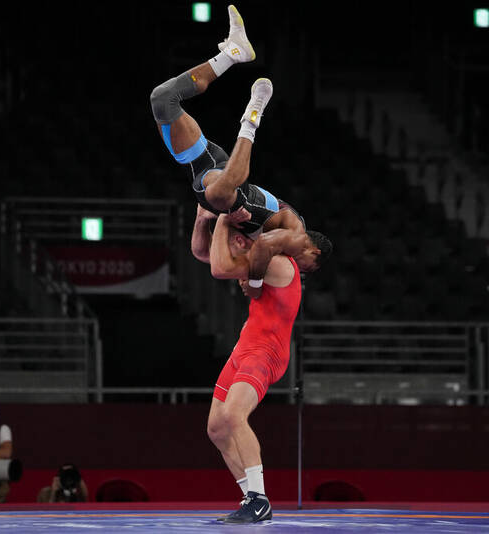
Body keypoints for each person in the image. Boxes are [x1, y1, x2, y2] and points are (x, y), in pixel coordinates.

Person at [150, 5, 310, 242]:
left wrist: (210, 220)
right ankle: (251, 118)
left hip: (203, 173)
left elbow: (202, 254)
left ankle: (232, 53)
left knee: (162, 99)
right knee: (221, 193)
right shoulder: (289, 243)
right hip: (234, 196)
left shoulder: (260, 255)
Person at [192, 211, 305, 523]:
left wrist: (222, 219)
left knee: (233, 415)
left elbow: (218, 267)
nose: (225, 251)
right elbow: (203, 254)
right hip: (245, 348)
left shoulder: (278, 264)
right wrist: (202, 220)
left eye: (229, 244)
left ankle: (259, 499)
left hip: (265, 353)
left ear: (241, 241)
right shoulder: (253, 260)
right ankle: (250, 498)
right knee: (217, 428)